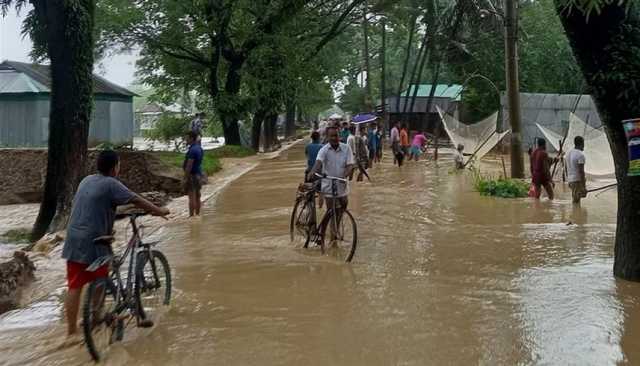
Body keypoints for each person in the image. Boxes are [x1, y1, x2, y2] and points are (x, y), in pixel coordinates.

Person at [62, 150, 170, 336]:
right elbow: (135, 199)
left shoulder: (86, 180)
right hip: (94, 240)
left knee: (75, 285)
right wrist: (158, 211)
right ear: (115, 168)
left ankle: (71, 332)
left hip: (72, 238)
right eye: (118, 165)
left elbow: (93, 206)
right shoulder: (112, 183)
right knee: (100, 278)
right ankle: (97, 318)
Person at [307, 126, 355, 212]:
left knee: (344, 204)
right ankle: (329, 225)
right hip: (328, 184)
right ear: (327, 137)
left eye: (336, 135)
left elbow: (350, 164)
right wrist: (312, 171)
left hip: (341, 183)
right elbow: (318, 162)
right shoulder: (323, 150)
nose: (334, 138)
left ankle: (337, 223)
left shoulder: (346, 148)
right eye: (331, 136)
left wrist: (345, 175)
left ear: (339, 136)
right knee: (330, 211)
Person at [184, 131, 204, 216]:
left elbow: (189, 165)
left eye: (187, 138)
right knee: (198, 196)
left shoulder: (192, 150)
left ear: (192, 138)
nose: (186, 140)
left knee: (191, 196)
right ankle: (198, 215)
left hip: (192, 175)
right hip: (198, 174)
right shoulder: (199, 148)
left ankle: (191, 216)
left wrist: (185, 177)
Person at [566, 136, 587, 204]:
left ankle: (576, 213)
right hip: (577, 181)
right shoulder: (580, 155)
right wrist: (583, 187)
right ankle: (575, 213)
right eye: (583, 143)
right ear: (581, 143)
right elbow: (581, 172)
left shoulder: (569, 152)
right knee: (576, 202)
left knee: (576, 199)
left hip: (570, 180)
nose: (584, 145)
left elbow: (567, 167)